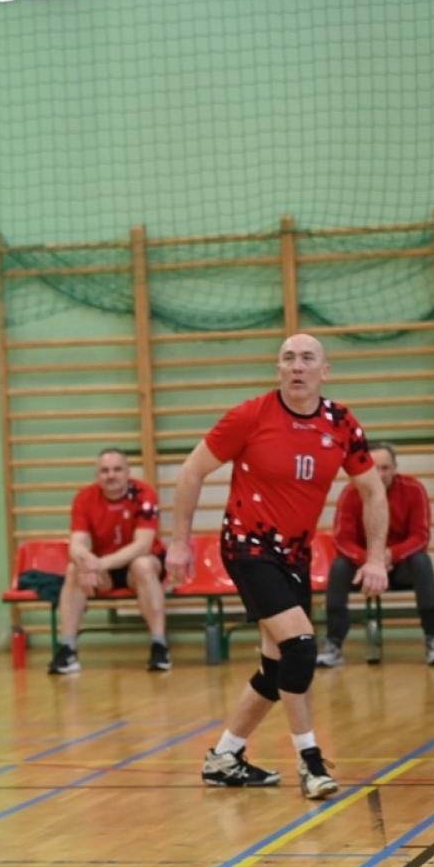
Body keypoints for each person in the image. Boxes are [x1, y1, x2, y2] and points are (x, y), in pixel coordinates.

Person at [167, 333, 389, 801]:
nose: (297, 366)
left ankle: (225, 757)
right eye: (288, 358)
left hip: (295, 555)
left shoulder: (341, 423)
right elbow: (191, 472)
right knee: (302, 648)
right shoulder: (251, 415)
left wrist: (375, 556)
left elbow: (372, 490)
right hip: (247, 547)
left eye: (308, 358)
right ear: (278, 368)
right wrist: (180, 544)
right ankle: (310, 763)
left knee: (276, 668)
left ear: (323, 371)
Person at [319, 442, 434, 666]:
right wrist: (370, 561)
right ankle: (333, 643)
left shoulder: (414, 489)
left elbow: (420, 537)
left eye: (386, 468)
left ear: (395, 468)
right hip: (363, 567)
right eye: (375, 468)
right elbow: (342, 540)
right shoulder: (351, 493)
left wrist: (388, 556)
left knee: (422, 562)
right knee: (339, 567)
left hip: (400, 566)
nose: (380, 474)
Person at [48, 448, 171, 674]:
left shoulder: (145, 494)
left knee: (142, 565)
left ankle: (159, 645)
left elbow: (142, 545)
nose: (110, 475)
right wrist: (84, 560)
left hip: (141, 563)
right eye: (104, 470)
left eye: (116, 469)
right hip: (103, 565)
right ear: (97, 474)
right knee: (74, 569)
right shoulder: (84, 498)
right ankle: (67, 648)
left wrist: (101, 564)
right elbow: (77, 542)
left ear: (127, 472)